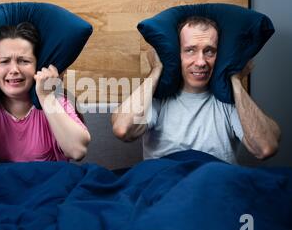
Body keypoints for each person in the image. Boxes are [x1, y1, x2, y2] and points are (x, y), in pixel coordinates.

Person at [111, 16, 281, 164]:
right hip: (166, 189)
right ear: (176, 54)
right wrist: (156, 69)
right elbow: (123, 129)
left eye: (209, 51)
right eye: (190, 50)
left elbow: (266, 147)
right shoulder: (158, 100)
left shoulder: (229, 103)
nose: (201, 62)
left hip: (214, 190)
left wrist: (235, 78)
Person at [0, 22, 91, 164]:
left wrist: (45, 97)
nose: (14, 70)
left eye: (24, 61)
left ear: (37, 66)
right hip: (2, 184)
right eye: (4, 61)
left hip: (51, 182)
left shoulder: (56, 100)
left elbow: (77, 151)